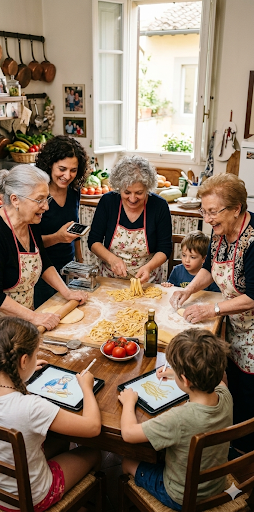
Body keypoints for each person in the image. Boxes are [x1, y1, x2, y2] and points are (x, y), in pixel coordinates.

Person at [0, 316, 101, 511]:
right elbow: (93, 427)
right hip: (33, 498)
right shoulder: (32, 407)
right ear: (23, 360)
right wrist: (87, 388)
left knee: (58, 443)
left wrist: (21, 372)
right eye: (35, 353)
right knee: (93, 452)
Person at [169, 173, 254, 454]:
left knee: (247, 396)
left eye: (213, 212)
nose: (208, 218)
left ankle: (240, 459)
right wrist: (189, 290)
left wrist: (212, 308)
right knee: (228, 386)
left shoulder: (253, 241)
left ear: (237, 209)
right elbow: (209, 267)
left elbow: (253, 296)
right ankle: (221, 446)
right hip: (233, 324)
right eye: (204, 211)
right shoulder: (221, 232)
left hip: (252, 334)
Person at [0, 165, 87, 365]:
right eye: (39, 200)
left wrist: (66, 293)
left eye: (46, 199)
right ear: (15, 200)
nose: (46, 207)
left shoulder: (30, 223)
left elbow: (44, 262)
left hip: (23, 313)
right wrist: (35, 317)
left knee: (22, 368)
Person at [118, 328, 232, 511]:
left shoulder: (179, 419)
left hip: (179, 495)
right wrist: (175, 374)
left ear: (185, 380)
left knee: (127, 462)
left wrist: (129, 403)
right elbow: (219, 380)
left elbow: (128, 434)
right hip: (215, 485)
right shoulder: (225, 394)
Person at [88, 155, 172, 283]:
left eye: (139, 193)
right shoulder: (108, 202)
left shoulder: (159, 206)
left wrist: (148, 267)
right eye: (127, 192)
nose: (132, 199)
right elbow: (94, 241)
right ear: (118, 187)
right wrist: (112, 260)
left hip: (147, 281)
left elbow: (164, 248)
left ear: (148, 188)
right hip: (110, 279)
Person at [34, 136, 88, 307]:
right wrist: (57, 237)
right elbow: (28, 243)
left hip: (68, 267)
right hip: (41, 271)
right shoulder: (37, 193)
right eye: (62, 169)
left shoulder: (74, 190)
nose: (67, 176)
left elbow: (75, 227)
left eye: (73, 170)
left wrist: (79, 262)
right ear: (50, 164)